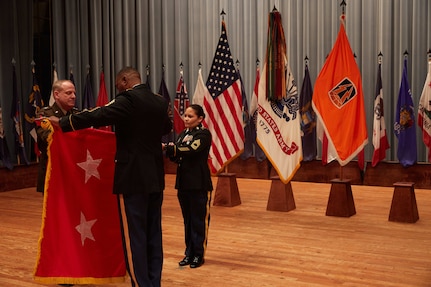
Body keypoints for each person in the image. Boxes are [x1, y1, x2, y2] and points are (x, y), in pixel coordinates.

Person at [49, 67, 172, 287]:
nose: (117, 89)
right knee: (154, 233)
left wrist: (66, 123)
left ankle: (141, 283)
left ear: (125, 80)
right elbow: (166, 127)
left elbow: (99, 113)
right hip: (155, 176)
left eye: (118, 85)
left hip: (133, 177)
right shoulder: (159, 101)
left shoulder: (128, 100)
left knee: (135, 235)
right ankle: (154, 282)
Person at [165, 104, 213, 268]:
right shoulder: (182, 134)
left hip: (199, 183)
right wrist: (171, 151)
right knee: (187, 220)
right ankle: (189, 253)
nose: (186, 118)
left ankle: (198, 255)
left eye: (190, 116)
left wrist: (171, 148)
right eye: (185, 115)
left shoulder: (203, 134)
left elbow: (192, 149)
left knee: (199, 221)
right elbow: (177, 156)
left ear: (200, 118)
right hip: (184, 183)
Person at [36, 79, 78, 193]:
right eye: (68, 93)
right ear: (56, 94)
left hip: (73, 169)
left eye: (74, 93)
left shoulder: (76, 115)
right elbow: (45, 137)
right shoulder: (45, 114)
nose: (73, 96)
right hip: (53, 168)